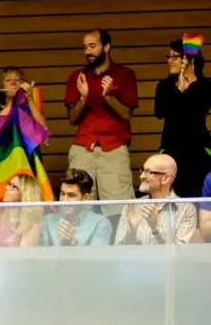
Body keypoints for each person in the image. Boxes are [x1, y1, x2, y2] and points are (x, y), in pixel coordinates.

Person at [64, 29, 138, 220]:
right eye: (85, 47)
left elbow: (126, 115)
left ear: (106, 47)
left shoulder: (125, 75)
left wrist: (109, 97)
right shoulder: (77, 77)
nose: (87, 51)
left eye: (92, 46)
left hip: (113, 148)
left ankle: (116, 249)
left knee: (117, 210)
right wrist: (83, 98)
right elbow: (72, 118)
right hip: (83, 147)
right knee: (79, 208)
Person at [154, 38, 210, 197]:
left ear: (188, 60)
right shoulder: (164, 86)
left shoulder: (206, 85)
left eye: (174, 57)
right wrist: (179, 88)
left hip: (199, 151)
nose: (169, 61)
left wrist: (191, 83)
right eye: (168, 57)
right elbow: (160, 111)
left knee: (199, 194)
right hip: (171, 148)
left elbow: (197, 108)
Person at [114, 154, 197, 245]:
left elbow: (180, 253)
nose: (141, 176)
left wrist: (157, 228)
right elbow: (118, 250)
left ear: (165, 178)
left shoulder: (186, 209)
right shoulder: (132, 206)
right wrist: (131, 233)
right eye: (142, 170)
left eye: (148, 172)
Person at [40, 168, 112, 246]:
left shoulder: (100, 223)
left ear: (86, 198)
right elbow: (39, 255)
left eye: (71, 195)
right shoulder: (47, 221)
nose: (64, 200)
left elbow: (98, 257)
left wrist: (73, 242)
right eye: (62, 194)